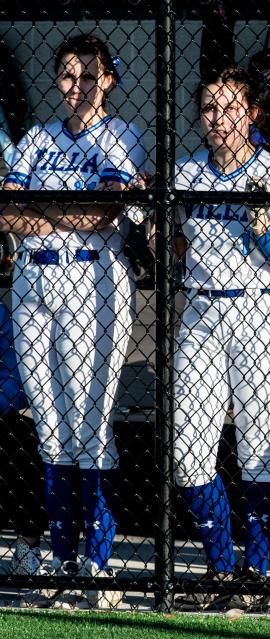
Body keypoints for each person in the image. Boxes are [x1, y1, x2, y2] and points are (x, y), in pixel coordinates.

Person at [1, 33, 146, 609]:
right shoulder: (36, 137)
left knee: (92, 427)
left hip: (93, 284)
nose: (78, 86)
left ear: (108, 79)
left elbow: (103, 211)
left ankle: (100, 565)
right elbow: (4, 211)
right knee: (50, 429)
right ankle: (62, 559)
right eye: (67, 75)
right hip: (33, 285)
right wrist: (57, 216)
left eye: (89, 75)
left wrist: (41, 212)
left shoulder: (123, 135)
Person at [170, 66, 270, 612]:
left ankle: (254, 572)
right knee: (189, 452)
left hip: (264, 314)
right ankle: (220, 570)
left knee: (258, 451)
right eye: (209, 108)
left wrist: (262, 229)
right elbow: (174, 248)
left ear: (252, 113)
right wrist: (157, 230)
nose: (219, 118)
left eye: (231, 108)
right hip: (203, 311)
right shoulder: (186, 173)